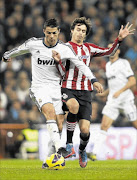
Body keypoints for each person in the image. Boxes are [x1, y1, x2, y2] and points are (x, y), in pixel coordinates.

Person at [2, 18, 103, 168]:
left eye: (54, 33)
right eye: (48, 33)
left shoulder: (64, 48)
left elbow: (81, 65)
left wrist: (93, 80)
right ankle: (60, 149)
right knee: (49, 112)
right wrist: (6, 55)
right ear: (44, 32)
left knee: (60, 125)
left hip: (57, 88)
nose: (51, 36)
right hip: (39, 87)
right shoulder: (33, 44)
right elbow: (17, 50)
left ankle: (49, 160)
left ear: (58, 32)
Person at [52, 17, 135, 168]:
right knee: (73, 106)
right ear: (72, 30)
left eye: (83, 31)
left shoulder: (88, 48)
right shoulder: (63, 48)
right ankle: (69, 145)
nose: (80, 33)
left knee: (85, 129)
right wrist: (57, 62)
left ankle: (82, 150)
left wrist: (119, 39)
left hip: (85, 92)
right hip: (67, 88)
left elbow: (109, 51)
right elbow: (57, 70)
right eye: (78, 29)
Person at [87, 44, 137, 161]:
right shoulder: (108, 65)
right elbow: (113, 86)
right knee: (104, 126)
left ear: (118, 51)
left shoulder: (123, 63)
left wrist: (119, 92)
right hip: (113, 101)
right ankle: (94, 153)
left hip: (126, 100)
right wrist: (105, 93)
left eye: (114, 49)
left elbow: (132, 81)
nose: (111, 51)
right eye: (109, 49)